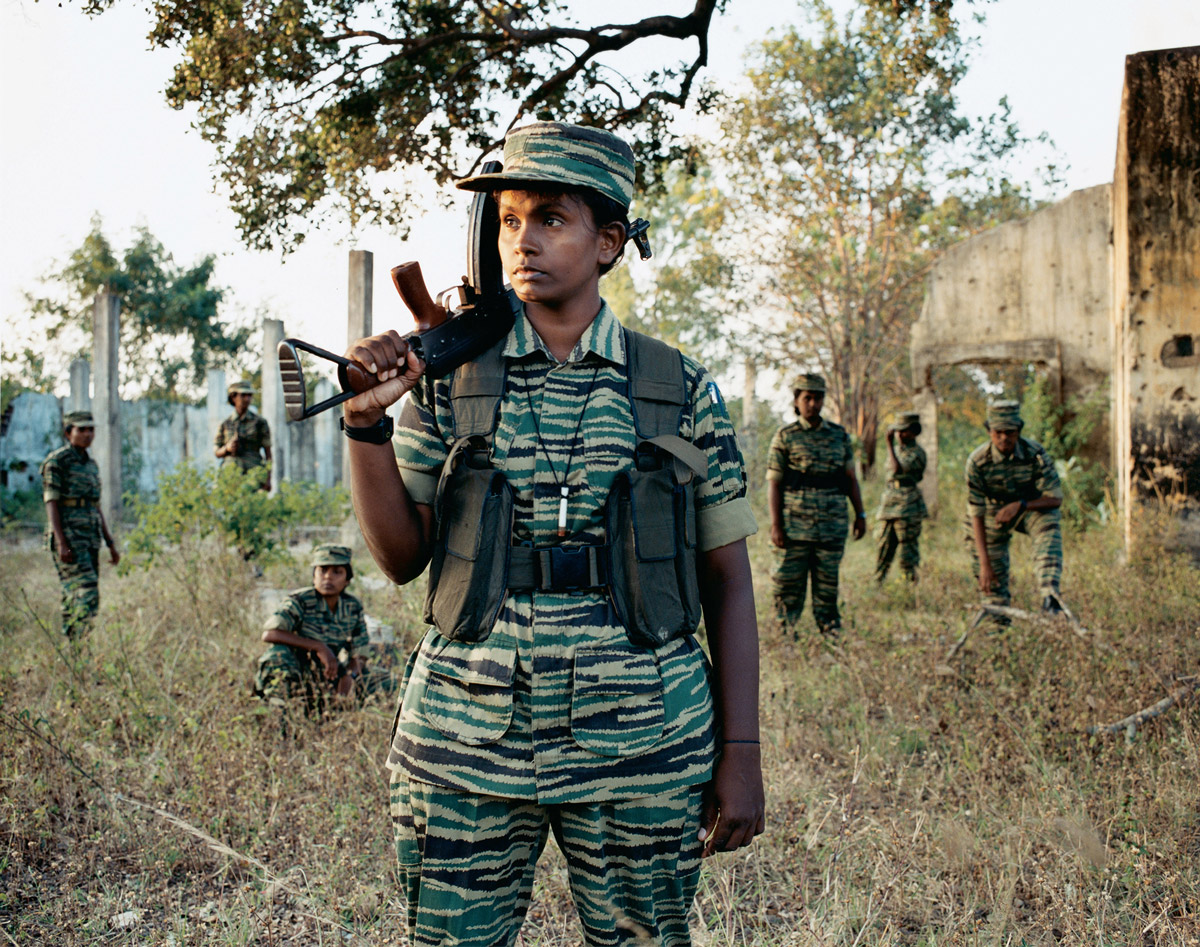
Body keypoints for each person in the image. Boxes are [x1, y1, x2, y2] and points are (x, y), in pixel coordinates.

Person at [338, 122, 764, 947]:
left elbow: (729, 580)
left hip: (643, 741)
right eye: (507, 221)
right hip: (467, 744)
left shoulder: (677, 388)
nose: (521, 240)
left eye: (550, 219)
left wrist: (740, 750)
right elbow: (399, 558)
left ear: (608, 242)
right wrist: (364, 427)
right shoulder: (450, 380)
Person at [766, 374, 866, 636]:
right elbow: (774, 484)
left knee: (827, 584)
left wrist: (861, 514)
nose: (812, 403)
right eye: (807, 398)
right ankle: (785, 632)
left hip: (831, 525)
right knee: (788, 584)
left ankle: (830, 631)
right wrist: (776, 525)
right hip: (794, 526)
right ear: (797, 401)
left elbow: (850, 479)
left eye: (818, 397)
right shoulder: (785, 436)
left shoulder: (839, 436)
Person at [965, 400, 1064, 621]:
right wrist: (984, 563)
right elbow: (976, 514)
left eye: (1010, 432)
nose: (1004, 438)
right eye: (998, 432)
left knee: (1048, 522)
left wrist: (1021, 505)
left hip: (1026, 507)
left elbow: (1055, 498)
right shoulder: (977, 462)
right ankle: (998, 631)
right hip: (991, 514)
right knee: (992, 582)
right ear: (989, 432)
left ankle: (1050, 596)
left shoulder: (1034, 454)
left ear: (1018, 431)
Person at [254, 544, 370, 709]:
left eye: (337, 572)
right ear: (314, 575)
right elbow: (270, 634)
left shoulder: (352, 606)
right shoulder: (300, 600)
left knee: (378, 677)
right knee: (277, 656)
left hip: (328, 673)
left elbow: (361, 653)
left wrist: (349, 676)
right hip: (296, 671)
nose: (328, 577)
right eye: (322, 570)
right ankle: (280, 711)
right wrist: (318, 647)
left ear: (347, 580)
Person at [40, 410, 119, 638]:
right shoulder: (57, 462)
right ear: (68, 433)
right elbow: (51, 503)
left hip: (90, 538)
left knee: (77, 593)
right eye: (81, 429)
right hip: (70, 538)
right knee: (86, 591)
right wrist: (61, 542)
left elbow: (96, 506)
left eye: (91, 429)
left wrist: (110, 543)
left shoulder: (91, 465)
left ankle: (77, 646)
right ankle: (76, 644)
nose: (87, 434)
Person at [874, 412, 928, 583]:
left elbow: (897, 470)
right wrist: (892, 448)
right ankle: (878, 582)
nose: (899, 435)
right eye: (897, 431)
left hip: (908, 504)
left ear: (913, 432)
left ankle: (909, 585)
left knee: (907, 550)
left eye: (903, 431)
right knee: (884, 545)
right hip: (890, 502)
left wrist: (888, 445)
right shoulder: (897, 450)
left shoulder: (917, 453)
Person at [214, 379, 271, 488]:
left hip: (253, 473)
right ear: (233, 397)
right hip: (230, 474)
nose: (247, 399)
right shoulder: (225, 424)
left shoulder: (260, 422)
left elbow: (268, 453)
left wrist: (268, 479)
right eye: (243, 395)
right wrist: (227, 448)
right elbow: (217, 452)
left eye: (249, 395)